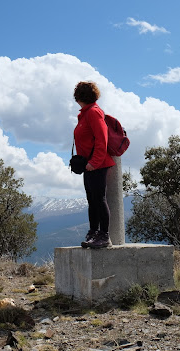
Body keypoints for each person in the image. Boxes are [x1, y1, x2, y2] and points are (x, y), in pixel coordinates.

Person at [73, 81, 115, 249]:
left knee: (99, 199)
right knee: (92, 200)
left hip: (97, 164)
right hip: (89, 164)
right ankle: (93, 233)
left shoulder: (93, 113)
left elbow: (102, 139)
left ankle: (104, 236)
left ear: (78, 97)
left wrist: (94, 162)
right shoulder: (85, 114)